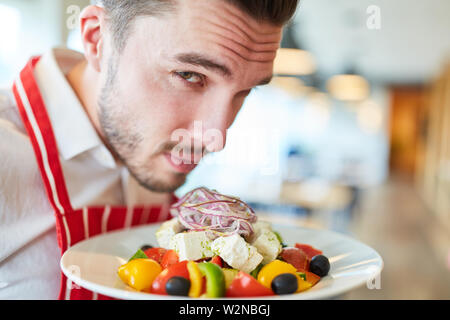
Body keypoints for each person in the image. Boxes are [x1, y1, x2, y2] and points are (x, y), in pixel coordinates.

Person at [0, 0, 299, 299]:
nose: (215, 139)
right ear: (97, 40)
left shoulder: (154, 149)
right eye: (189, 75)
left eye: (245, 91)